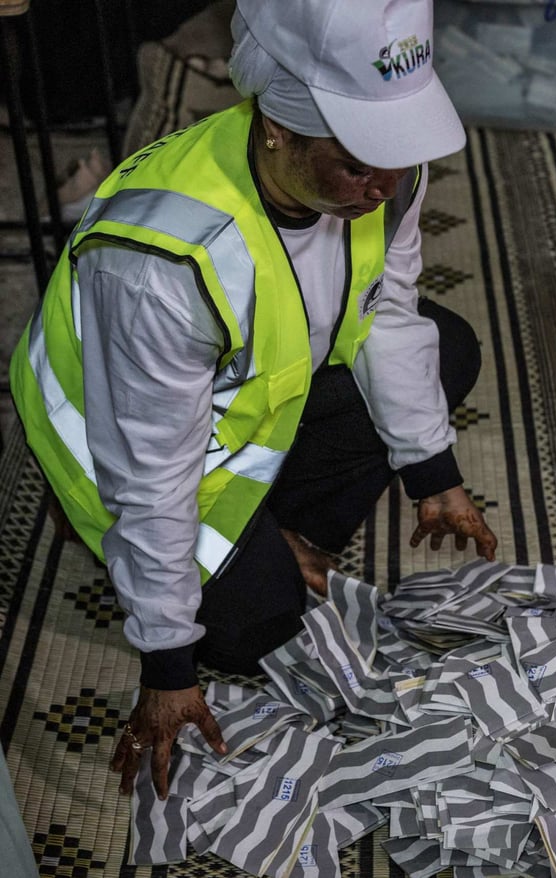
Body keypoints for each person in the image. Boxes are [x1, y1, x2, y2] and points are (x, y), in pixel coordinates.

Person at [10, 0, 497, 802]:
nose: (383, 186)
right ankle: (179, 546)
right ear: (277, 124)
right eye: (358, 163)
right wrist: (167, 665)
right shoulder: (164, 264)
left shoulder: (387, 171)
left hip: (245, 398)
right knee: (258, 629)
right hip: (120, 456)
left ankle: (280, 532)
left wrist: (432, 471)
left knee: (449, 348)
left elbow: (391, 312)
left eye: (398, 155)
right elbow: (152, 474)